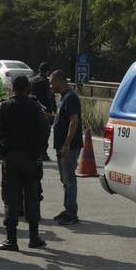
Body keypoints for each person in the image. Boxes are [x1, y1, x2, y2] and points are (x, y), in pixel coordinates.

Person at [0, 75, 49, 251]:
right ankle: (34, 237)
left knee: (10, 199)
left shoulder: (4, 106)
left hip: (11, 158)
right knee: (32, 197)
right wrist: (39, 150)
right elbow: (45, 130)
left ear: (12, 88)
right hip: (31, 159)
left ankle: (11, 239)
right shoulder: (35, 107)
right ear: (28, 88)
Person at [50, 70, 83, 225]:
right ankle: (68, 208)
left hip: (69, 147)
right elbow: (63, 118)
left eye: (52, 82)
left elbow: (74, 122)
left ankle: (72, 214)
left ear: (60, 81)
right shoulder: (64, 97)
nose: (51, 85)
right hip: (62, 146)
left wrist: (66, 145)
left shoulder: (70, 97)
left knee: (69, 179)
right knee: (65, 179)